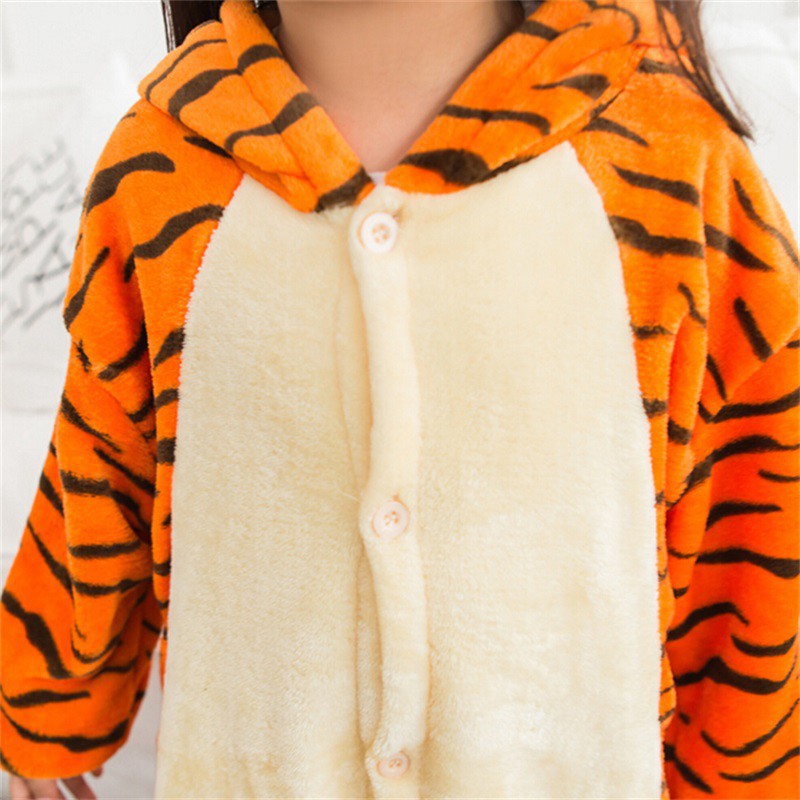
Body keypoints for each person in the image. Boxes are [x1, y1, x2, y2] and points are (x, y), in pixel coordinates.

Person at [3, 0, 798, 797]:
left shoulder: (670, 164)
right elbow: (99, 473)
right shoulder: (160, 172)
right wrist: (41, 716)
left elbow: (754, 540)